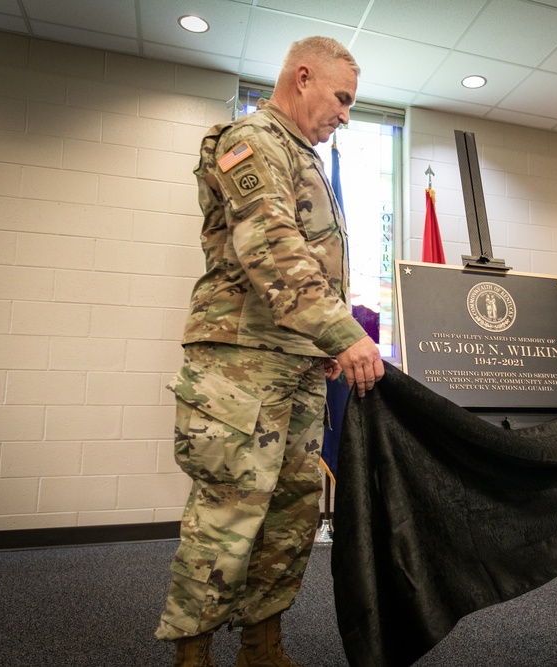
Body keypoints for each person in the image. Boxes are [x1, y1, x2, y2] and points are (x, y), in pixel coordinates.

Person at [155, 36, 384, 667]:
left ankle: (262, 648)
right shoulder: (250, 140)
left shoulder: (300, 154)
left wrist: (324, 343)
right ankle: (191, 654)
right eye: (341, 98)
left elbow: (307, 263)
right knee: (228, 515)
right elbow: (273, 249)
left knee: (289, 519)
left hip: (299, 365)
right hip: (241, 364)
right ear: (303, 77)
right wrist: (347, 334)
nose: (345, 114)